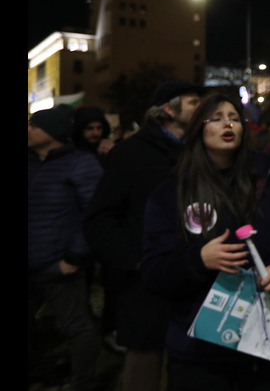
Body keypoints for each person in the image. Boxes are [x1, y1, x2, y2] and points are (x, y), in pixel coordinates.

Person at [140, 93, 270, 390]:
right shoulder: (170, 194)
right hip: (199, 353)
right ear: (199, 129)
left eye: (234, 118)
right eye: (217, 118)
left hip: (265, 346)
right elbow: (154, 271)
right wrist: (198, 260)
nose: (228, 124)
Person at [85, 79, 203, 391]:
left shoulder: (202, 152)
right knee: (144, 364)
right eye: (193, 102)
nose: (202, 109)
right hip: (146, 285)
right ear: (168, 110)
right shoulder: (131, 153)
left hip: (195, 276)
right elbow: (99, 219)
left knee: (193, 362)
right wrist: (135, 260)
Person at [28, 104, 102, 391]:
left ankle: (83, 382)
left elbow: (93, 214)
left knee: (77, 328)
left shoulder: (80, 163)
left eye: (35, 126)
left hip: (57, 265)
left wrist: (74, 257)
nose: (29, 130)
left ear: (53, 132)